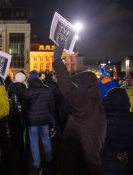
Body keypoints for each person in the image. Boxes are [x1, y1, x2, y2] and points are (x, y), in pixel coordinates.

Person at [53, 45, 107, 175]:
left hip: (80, 167)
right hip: (87, 164)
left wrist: (57, 62)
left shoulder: (86, 105)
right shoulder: (94, 104)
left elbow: (69, 90)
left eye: (76, 85)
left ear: (82, 87)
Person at [10, 70, 55, 174]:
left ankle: (36, 163)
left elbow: (25, 108)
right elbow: (51, 106)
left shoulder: (27, 91)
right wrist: (50, 116)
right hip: (44, 119)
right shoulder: (47, 90)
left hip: (32, 121)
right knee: (46, 139)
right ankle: (49, 159)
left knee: (34, 142)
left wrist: (26, 119)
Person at [101, 87, 133, 175]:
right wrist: (128, 154)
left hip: (104, 166)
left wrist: (113, 155)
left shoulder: (99, 120)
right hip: (128, 166)